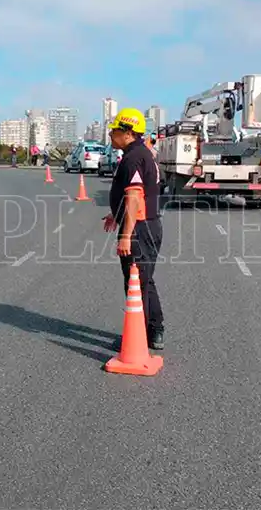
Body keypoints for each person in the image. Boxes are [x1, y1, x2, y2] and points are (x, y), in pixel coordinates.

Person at [103, 108, 165, 350]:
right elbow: (136, 196)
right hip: (147, 225)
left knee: (136, 283)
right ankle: (154, 330)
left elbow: (135, 198)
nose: (111, 135)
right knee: (144, 281)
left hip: (140, 229)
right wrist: (116, 214)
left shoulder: (132, 158)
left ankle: (140, 336)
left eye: (114, 131)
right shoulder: (141, 153)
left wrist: (126, 235)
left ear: (127, 132)